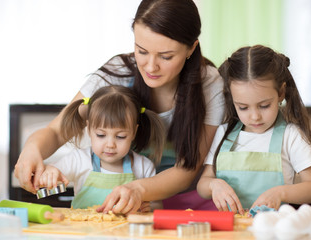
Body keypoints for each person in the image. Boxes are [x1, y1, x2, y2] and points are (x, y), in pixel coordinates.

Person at [14, 0, 225, 214]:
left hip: (187, 203)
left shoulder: (210, 84)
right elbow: (57, 131)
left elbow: (186, 171)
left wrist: (138, 189)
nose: (151, 66)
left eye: (166, 56)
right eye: (141, 51)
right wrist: (32, 150)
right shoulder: (117, 74)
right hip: (131, 204)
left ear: (191, 48)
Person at [197, 45, 311, 214]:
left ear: (281, 93)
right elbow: (202, 185)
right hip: (229, 231)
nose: (255, 116)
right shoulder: (223, 133)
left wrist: (280, 192)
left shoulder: (290, 135)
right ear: (232, 99)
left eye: (264, 106)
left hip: (272, 230)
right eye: (243, 107)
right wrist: (214, 185)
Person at [38, 85, 165, 210]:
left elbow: (156, 204)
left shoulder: (143, 167)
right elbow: (53, 172)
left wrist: (149, 207)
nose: (110, 144)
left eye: (120, 136)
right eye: (101, 135)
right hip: (83, 230)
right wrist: (50, 172)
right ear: (89, 129)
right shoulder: (79, 159)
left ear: (133, 132)